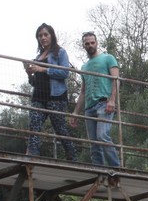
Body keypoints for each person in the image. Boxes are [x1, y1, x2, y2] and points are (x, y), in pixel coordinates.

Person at [23, 23, 77, 161]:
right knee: (34, 126)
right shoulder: (38, 57)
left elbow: (65, 73)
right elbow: (34, 82)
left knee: (60, 129)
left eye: (45, 34)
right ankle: (32, 156)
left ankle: (72, 157)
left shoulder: (60, 52)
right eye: (40, 35)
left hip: (56, 97)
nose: (43, 37)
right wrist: (29, 73)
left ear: (52, 36)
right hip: (38, 97)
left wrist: (43, 69)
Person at [69, 31, 121, 167]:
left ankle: (116, 169)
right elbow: (83, 91)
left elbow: (116, 80)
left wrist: (112, 100)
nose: (90, 45)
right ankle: (99, 171)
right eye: (87, 43)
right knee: (93, 144)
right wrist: (75, 112)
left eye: (92, 42)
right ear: (84, 46)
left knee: (102, 136)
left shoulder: (108, 58)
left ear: (97, 43)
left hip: (104, 103)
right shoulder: (84, 67)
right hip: (89, 108)